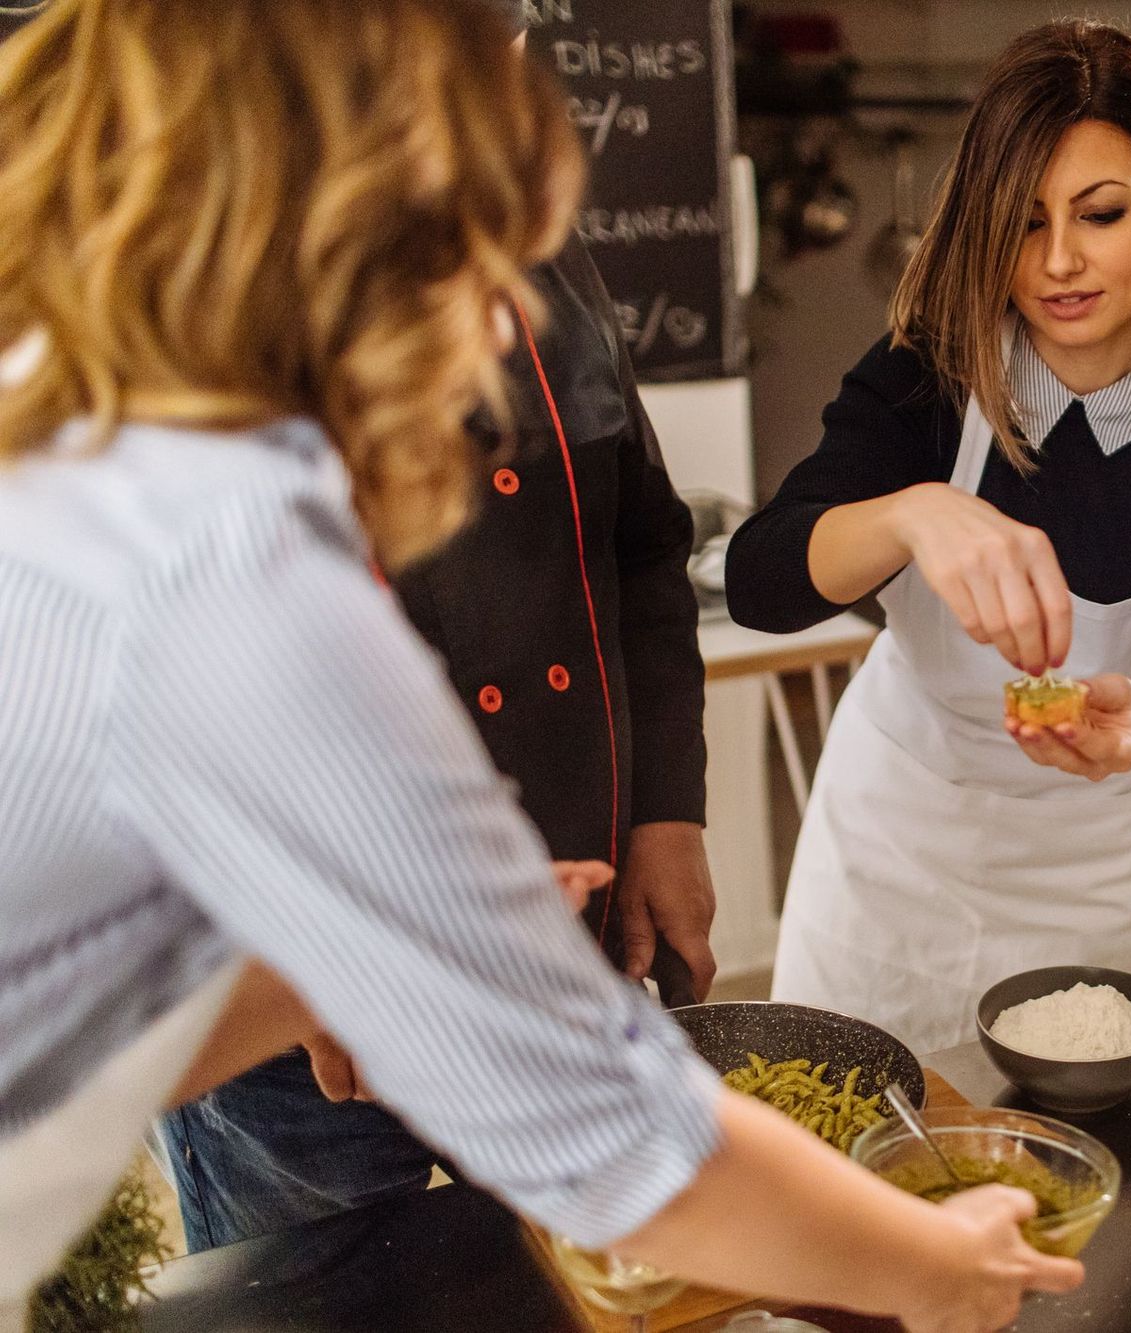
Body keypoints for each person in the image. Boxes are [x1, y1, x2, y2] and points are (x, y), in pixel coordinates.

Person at [0, 3, 1079, 1329]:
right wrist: (936, 1267)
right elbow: (618, 1146)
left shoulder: (68, 412)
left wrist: (333, 965)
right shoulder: (229, 563)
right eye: (467, 245)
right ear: (327, 215)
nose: (518, 317)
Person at [153, 8, 721, 1248]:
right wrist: (293, 967)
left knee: (556, 1286)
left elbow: (636, 546)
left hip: (556, 950)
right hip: (320, 1020)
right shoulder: (202, 264)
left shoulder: (542, 241)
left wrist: (663, 807)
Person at [725, 20, 1131, 1054]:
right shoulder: (922, 379)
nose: (1058, 263)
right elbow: (762, 578)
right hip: (895, 862)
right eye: (1022, 223)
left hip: (1094, 874)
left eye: (1100, 213)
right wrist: (910, 512)